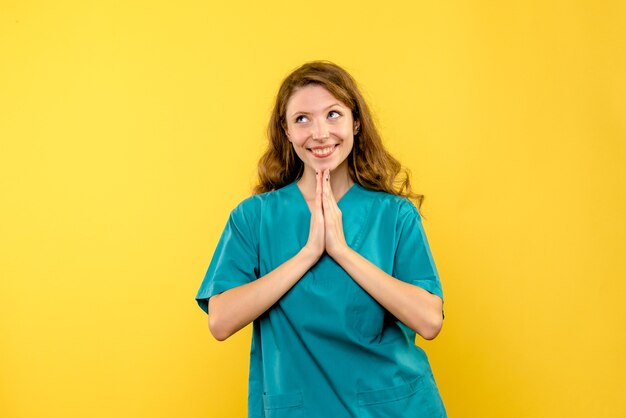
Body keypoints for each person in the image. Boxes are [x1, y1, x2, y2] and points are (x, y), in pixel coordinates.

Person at [195, 60, 447, 417]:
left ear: (355, 122)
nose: (319, 132)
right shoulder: (254, 217)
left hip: (392, 408)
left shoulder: (394, 215)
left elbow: (429, 320)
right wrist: (308, 253)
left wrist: (341, 251)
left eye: (333, 114)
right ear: (286, 130)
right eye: (302, 119)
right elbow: (220, 321)